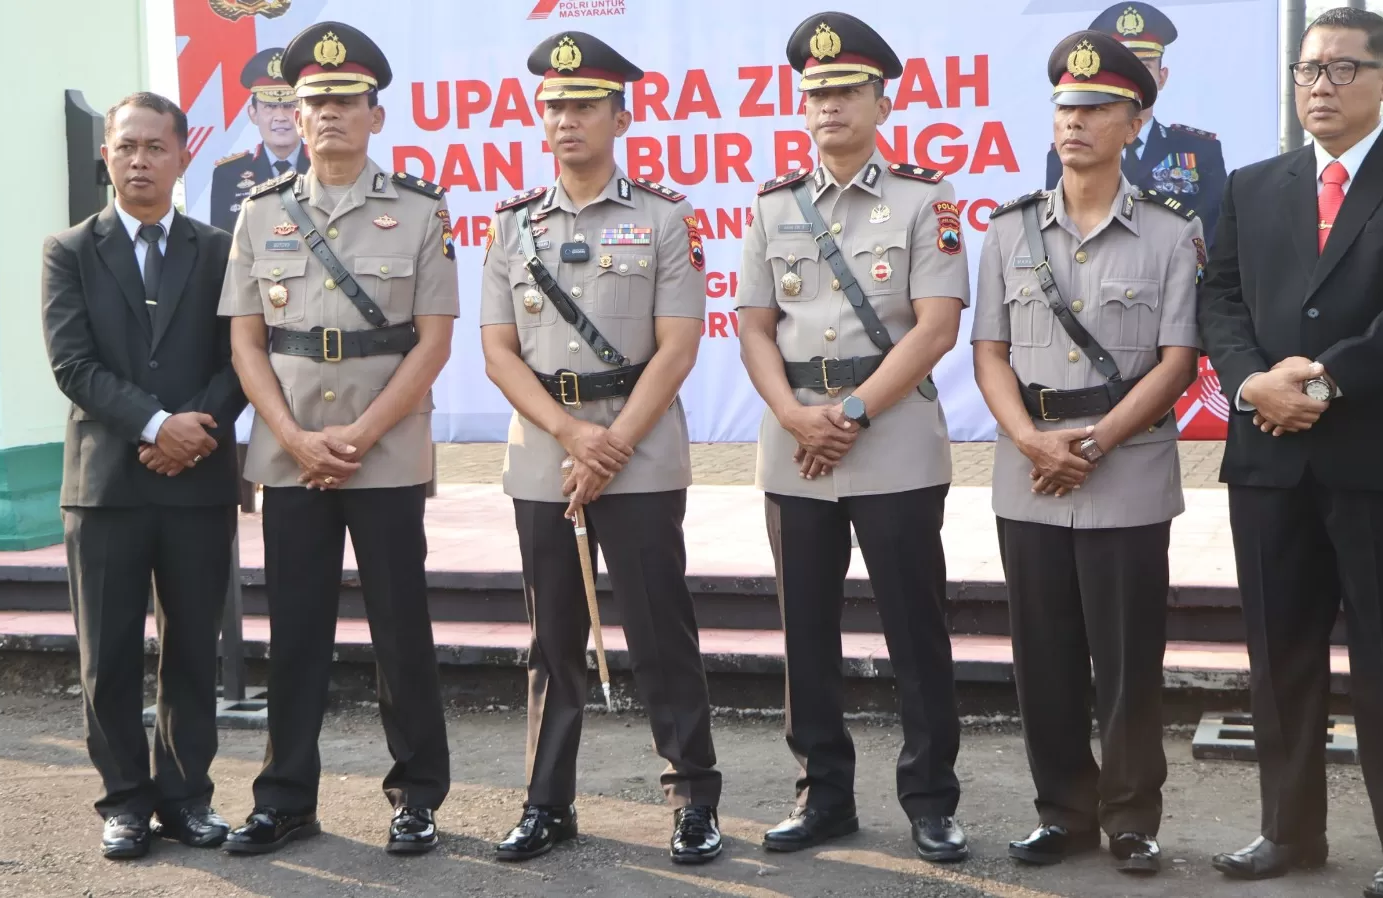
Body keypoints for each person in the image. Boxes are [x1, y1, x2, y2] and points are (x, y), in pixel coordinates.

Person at [1198, 9, 1383, 898]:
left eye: (1340, 69)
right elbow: (1221, 299)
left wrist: (1317, 388)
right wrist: (1253, 384)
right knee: (1278, 657)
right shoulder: (1254, 185)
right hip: (1269, 462)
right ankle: (1288, 832)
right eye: (1307, 69)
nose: (1318, 86)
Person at [480, 31, 723, 866]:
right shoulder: (512, 224)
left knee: (660, 632)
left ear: (621, 117)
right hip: (546, 452)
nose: (566, 119)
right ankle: (546, 802)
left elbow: (678, 347)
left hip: (639, 449)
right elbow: (499, 352)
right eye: (553, 106)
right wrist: (571, 435)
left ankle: (692, 799)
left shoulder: (665, 217)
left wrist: (609, 443)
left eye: (584, 105)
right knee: (552, 639)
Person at [217, 21, 459, 857]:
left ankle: (417, 795)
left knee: (401, 629)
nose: (328, 114)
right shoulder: (260, 213)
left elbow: (433, 341)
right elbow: (246, 341)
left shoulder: (420, 210)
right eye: (314, 101)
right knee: (294, 633)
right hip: (291, 456)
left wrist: (358, 433)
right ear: (294, 113)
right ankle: (285, 799)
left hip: (383, 451)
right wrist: (291, 434)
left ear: (375, 116)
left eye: (345, 101)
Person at [735, 11, 970, 864]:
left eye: (845, 90)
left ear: (882, 101)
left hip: (893, 440)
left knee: (915, 632)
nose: (828, 105)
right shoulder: (773, 206)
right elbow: (753, 326)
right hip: (795, 446)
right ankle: (822, 796)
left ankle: (931, 801)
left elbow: (936, 326)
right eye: (816, 93)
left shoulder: (926, 199)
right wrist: (795, 415)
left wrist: (854, 413)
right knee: (806, 634)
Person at [973, 30, 1203, 876]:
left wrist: (1098, 440)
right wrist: (1030, 440)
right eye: (1065, 107)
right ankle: (1063, 813)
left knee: (1129, 660)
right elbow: (988, 352)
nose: (1075, 121)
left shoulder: (1171, 234)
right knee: (1044, 658)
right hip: (1030, 472)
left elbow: (1178, 361)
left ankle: (1132, 818)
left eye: (1097, 108)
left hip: (1127, 470)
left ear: (1134, 124)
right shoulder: (1008, 230)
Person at [41, 91, 245, 859]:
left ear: (183, 157)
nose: (139, 161)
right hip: (106, 489)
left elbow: (241, 359)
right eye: (125, 147)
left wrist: (194, 429)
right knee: (111, 654)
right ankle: (125, 801)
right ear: (106, 157)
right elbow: (72, 364)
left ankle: (187, 799)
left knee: (193, 649)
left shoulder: (219, 250)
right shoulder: (69, 250)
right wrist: (158, 426)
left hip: (197, 482)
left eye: (155, 147)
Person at [1042, 2, 1226, 243]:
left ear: (1162, 77)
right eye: (1124, 69)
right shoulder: (1070, 149)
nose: (1134, 78)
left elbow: (1214, 237)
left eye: (1145, 65)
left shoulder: (1200, 149)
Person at [210, 46, 310, 230]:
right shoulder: (228, 174)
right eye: (270, 107)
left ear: (303, 112)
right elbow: (222, 241)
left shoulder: (325, 166)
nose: (280, 117)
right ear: (253, 113)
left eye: (289, 105)